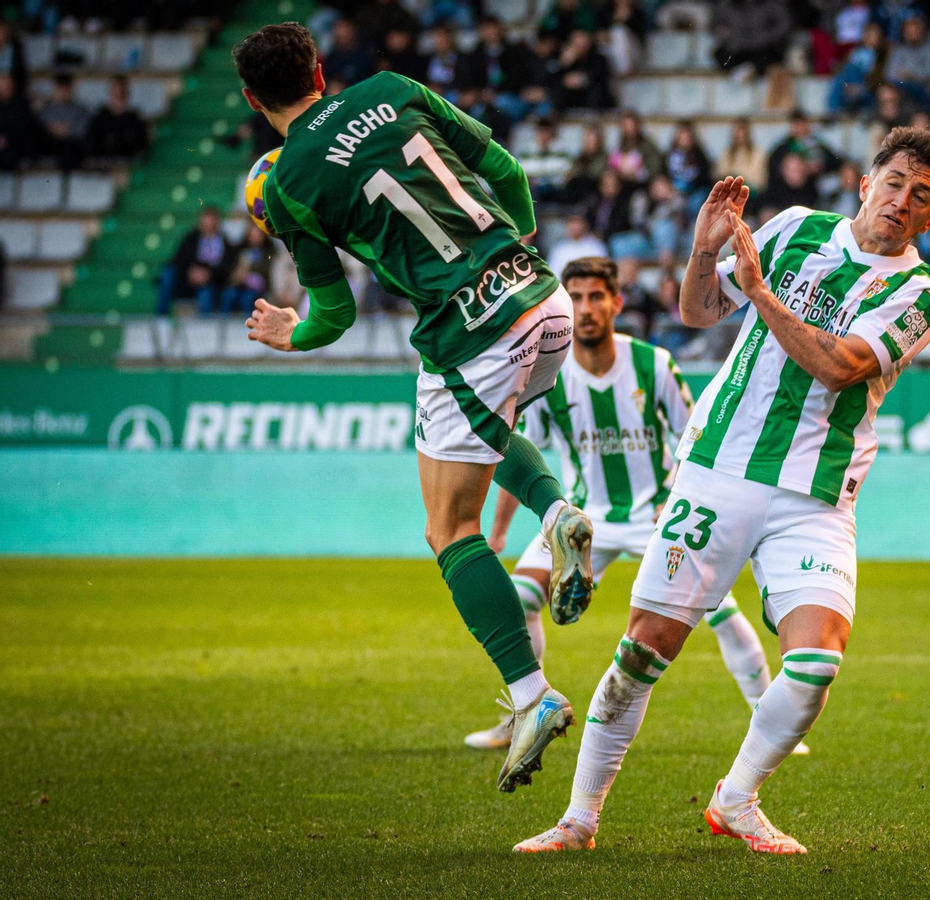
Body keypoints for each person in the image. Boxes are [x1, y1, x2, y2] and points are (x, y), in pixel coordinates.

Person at [516, 127, 930, 855]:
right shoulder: (791, 229)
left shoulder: (921, 292)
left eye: (921, 196)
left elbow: (843, 365)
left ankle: (736, 799)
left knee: (817, 663)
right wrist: (702, 250)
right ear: (864, 181)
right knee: (641, 654)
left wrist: (759, 292)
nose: (901, 201)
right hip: (717, 473)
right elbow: (698, 311)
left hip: (815, 494)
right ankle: (579, 819)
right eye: (894, 182)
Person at [232, 23, 596, 798]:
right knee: (486, 432)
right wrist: (512, 257)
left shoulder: (288, 184)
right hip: (543, 296)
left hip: (469, 330)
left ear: (252, 100)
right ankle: (558, 507)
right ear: (321, 71)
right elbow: (505, 168)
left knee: (448, 528)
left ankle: (534, 698)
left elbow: (333, 315)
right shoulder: (393, 89)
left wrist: (285, 335)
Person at [466, 256, 807, 757]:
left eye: (595, 297)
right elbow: (522, 458)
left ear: (616, 303)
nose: (585, 309)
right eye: (575, 298)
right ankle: (521, 713)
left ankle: (767, 720)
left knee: (723, 614)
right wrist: (498, 533)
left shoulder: (653, 364)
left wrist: (680, 500)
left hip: (658, 515)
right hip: (583, 521)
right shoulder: (551, 376)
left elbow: (696, 437)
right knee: (520, 600)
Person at [157, 206, 238, 315]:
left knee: (206, 293)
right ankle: (161, 318)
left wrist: (208, 275)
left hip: (211, 283)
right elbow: (178, 260)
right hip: (187, 280)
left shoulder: (226, 244)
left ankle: (204, 329)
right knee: (168, 274)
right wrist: (191, 271)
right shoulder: (190, 238)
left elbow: (226, 268)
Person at [86, 75, 149, 161]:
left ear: (128, 95)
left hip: (129, 167)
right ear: (110, 94)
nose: (119, 98)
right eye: (116, 94)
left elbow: (142, 147)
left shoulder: (135, 120)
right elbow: (92, 147)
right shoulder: (99, 120)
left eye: (122, 94)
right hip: (104, 168)